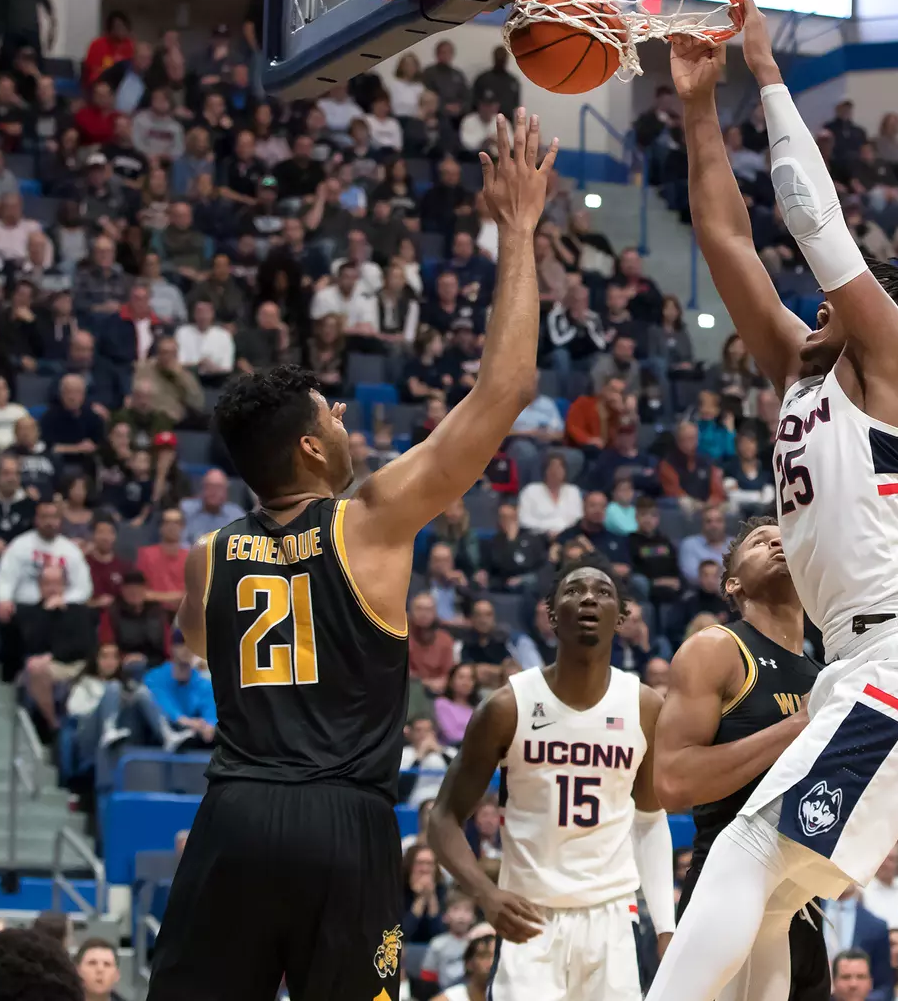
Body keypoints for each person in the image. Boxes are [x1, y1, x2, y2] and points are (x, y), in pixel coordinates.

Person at [144, 111, 560, 1001]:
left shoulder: (209, 557)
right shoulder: (367, 519)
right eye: (330, 415)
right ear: (306, 449)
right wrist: (519, 227)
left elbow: (201, 645)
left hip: (235, 814)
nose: (342, 420)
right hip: (342, 821)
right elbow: (508, 387)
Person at [650, 1, 898, 1001]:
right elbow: (726, 238)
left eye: (847, 292)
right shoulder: (803, 370)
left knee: (749, 851)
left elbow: (813, 219)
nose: (827, 294)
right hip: (864, 664)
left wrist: (767, 74)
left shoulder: (890, 373)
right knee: (774, 890)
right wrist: (700, 107)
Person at [426, 556, 673, 999]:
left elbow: (650, 820)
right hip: (528, 914)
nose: (589, 599)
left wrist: (666, 929)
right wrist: (484, 894)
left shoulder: (645, 706)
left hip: (613, 915)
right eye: (574, 590)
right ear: (553, 615)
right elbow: (443, 818)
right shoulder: (507, 706)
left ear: (621, 618)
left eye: (603, 592)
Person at [654, 518, 826, 1000]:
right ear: (732, 584)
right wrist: (797, 726)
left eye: (786, 539)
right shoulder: (718, 648)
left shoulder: (824, 674)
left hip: (802, 897)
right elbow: (673, 783)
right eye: (759, 542)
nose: (778, 543)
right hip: (726, 883)